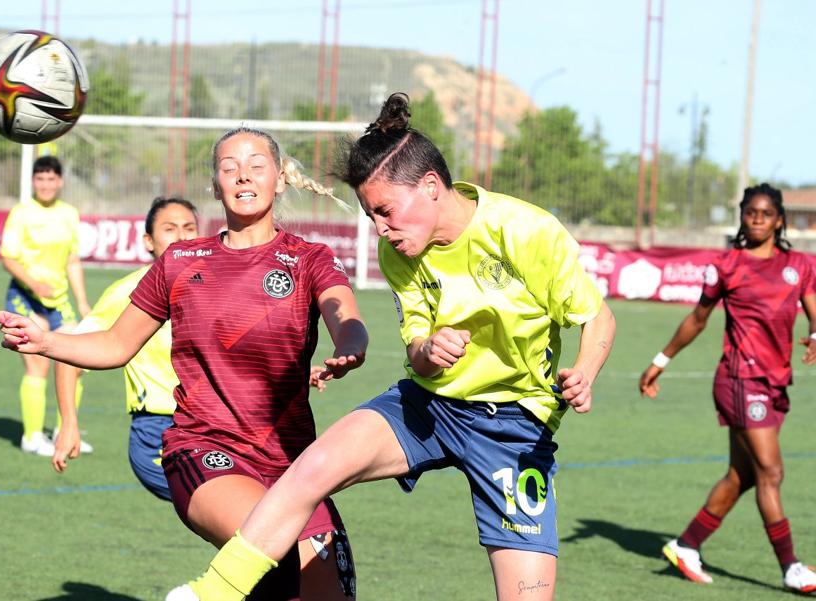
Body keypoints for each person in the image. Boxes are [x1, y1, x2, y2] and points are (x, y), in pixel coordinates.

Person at [167, 92, 617, 601]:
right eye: (370, 216)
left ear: (429, 187)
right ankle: (213, 594)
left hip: (514, 427)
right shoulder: (398, 250)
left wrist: (584, 369)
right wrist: (431, 352)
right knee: (311, 468)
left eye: (384, 211)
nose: (380, 229)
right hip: (429, 405)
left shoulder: (526, 231)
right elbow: (417, 347)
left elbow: (597, 317)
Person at [0, 126, 367, 600]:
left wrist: (350, 345)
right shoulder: (180, 260)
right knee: (274, 548)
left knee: (324, 592)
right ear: (215, 185)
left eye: (257, 165)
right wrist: (46, 341)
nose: (243, 176)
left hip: (293, 465)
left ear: (279, 179)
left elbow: (345, 314)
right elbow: (114, 344)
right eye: (229, 168)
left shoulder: (309, 258)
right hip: (204, 449)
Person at [639, 183, 816, 594]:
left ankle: (686, 546)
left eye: (765, 213)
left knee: (743, 475)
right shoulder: (727, 264)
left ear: (780, 219)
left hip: (775, 382)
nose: (757, 219)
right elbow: (697, 319)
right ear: (742, 216)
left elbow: (813, 308)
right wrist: (659, 361)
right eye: (750, 212)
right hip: (739, 380)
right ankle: (791, 567)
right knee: (771, 471)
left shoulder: (800, 265)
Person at [52, 197, 200, 503]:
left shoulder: (217, 287)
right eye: (169, 229)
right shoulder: (128, 292)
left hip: (216, 427)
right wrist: (68, 424)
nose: (182, 237)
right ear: (148, 240)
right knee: (251, 517)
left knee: (266, 517)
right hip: (159, 435)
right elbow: (69, 357)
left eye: (190, 228)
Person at [1, 155, 91, 457]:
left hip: (59, 300)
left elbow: (72, 261)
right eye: (40, 179)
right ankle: (31, 436)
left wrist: (82, 303)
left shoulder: (69, 214)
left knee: (75, 363)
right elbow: (9, 258)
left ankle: (65, 431)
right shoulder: (22, 212)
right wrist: (34, 284)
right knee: (37, 364)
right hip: (26, 298)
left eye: (51, 178)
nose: (46, 184)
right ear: (33, 182)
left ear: (60, 181)